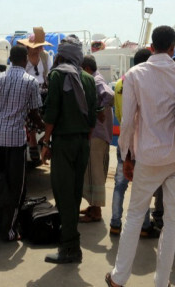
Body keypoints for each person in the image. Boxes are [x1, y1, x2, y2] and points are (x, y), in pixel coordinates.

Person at [106, 26, 175, 287]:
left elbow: (127, 122)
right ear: (173, 47)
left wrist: (127, 155)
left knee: (135, 216)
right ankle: (161, 282)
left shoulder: (135, 75)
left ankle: (119, 278)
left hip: (148, 157)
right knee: (172, 222)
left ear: (152, 46)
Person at [41, 35, 97, 264]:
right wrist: (83, 139)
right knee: (74, 193)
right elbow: (93, 118)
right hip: (83, 142)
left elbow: (51, 113)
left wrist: (46, 142)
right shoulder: (88, 78)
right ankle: (70, 241)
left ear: (62, 54)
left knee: (63, 194)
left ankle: (70, 247)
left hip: (63, 142)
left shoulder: (56, 75)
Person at [0, 46, 44, 242]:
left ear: (9, 59)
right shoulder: (30, 82)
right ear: (25, 60)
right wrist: (46, 127)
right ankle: (9, 230)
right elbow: (34, 113)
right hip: (15, 142)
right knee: (16, 188)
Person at [110, 48, 160, 238]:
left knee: (119, 184)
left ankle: (115, 223)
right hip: (140, 140)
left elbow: (118, 112)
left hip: (124, 138)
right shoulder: (142, 83)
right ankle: (144, 225)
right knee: (142, 185)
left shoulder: (119, 83)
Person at [79, 55, 113, 223]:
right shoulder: (96, 79)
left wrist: (98, 109)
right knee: (92, 172)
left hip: (97, 135)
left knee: (95, 172)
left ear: (86, 68)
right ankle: (93, 207)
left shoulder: (95, 80)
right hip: (99, 134)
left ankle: (96, 212)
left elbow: (109, 95)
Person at [17, 27, 53, 167]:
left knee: (50, 112)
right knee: (31, 111)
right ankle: (32, 138)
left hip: (43, 89)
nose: (39, 49)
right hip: (27, 89)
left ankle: (43, 138)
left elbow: (49, 74)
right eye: (36, 47)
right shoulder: (23, 59)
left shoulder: (45, 56)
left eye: (40, 47)